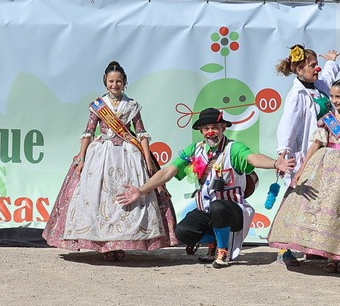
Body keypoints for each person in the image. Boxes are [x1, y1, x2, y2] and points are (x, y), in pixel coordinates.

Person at [117, 107, 291, 268]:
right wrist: (140, 190)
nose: (211, 132)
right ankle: (214, 241)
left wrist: (276, 164)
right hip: (208, 210)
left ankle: (223, 251)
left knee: (219, 206)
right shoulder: (195, 150)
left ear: (223, 128)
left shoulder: (234, 148)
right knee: (183, 232)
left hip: (234, 211)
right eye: (206, 128)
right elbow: (169, 171)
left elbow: (253, 158)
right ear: (201, 131)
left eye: (215, 127)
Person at [44, 61, 177, 256]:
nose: (115, 84)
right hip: (101, 154)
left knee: (125, 198)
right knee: (98, 198)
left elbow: (141, 133)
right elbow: (88, 132)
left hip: (128, 154)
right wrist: (81, 159)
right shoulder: (98, 106)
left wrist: (148, 160)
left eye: (119, 81)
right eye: (111, 81)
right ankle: (104, 245)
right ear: (105, 83)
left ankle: (121, 244)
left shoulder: (132, 106)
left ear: (125, 82)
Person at [266, 76, 340, 272]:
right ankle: (329, 258)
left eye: (339, 96)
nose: (334, 100)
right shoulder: (327, 120)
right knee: (325, 210)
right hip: (324, 168)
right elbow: (316, 145)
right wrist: (302, 170)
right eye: (332, 96)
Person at [272, 44, 340, 263]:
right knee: (295, 197)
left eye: (317, 65)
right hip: (303, 152)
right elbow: (287, 125)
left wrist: (331, 60)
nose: (318, 69)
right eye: (313, 66)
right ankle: (284, 248)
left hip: (324, 152)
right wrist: (283, 152)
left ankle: (310, 246)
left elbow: (330, 76)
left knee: (315, 198)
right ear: (299, 69)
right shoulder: (297, 95)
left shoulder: (320, 85)